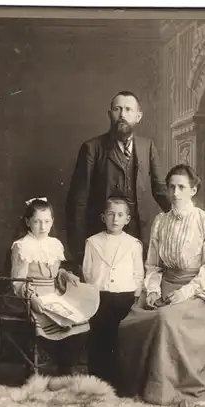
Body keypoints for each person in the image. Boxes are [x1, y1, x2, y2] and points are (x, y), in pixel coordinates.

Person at [115, 165, 205, 405]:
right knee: (131, 320)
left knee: (165, 318)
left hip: (195, 293)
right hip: (164, 286)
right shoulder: (161, 221)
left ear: (193, 190)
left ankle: (164, 388)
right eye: (171, 187)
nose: (175, 193)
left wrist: (184, 293)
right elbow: (153, 265)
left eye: (182, 187)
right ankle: (140, 382)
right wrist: (154, 290)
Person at [65, 90, 170, 273]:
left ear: (138, 116)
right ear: (109, 114)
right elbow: (78, 201)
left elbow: (161, 190)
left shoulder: (147, 147)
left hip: (138, 234)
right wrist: (79, 250)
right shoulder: (92, 148)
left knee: (135, 285)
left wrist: (188, 215)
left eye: (129, 110)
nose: (122, 115)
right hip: (102, 232)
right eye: (117, 109)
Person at [10, 197, 89, 376]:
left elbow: (55, 273)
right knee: (47, 320)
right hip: (31, 297)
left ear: (52, 221)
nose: (42, 226)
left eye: (46, 221)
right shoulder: (22, 246)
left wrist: (66, 275)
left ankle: (66, 367)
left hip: (53, 294)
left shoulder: (54, 244)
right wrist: (32, 298)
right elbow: (17, 281)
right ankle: (34, 369)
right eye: (37, 221)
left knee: (78, 319)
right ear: (28, 222)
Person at [82, 196, 144, 385]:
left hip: (125, 297)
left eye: (120, 215)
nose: (115, 219)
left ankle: (121, 383)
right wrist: (95, 289)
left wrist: (136, 294)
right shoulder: (92, 242)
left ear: (127, 219)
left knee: (122, 340)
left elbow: (138, 273)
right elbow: (87, 271)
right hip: (101, 297)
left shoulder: (133, 244)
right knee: (100, 339)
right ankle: (98, 381)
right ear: (103, 217)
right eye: (111, 214)